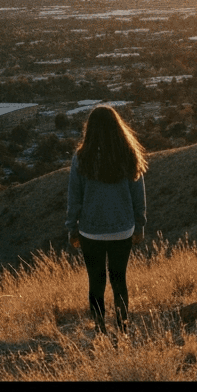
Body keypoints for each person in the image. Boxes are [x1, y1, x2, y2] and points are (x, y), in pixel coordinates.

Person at [66, 104, 148, 335]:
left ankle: (101, 329)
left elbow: (75, 198)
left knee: (96, 282)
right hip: (122, 229)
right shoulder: (128, 154)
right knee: (119, 279)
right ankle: (122, 328)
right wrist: (140, 225)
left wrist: (72, 228)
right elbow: (138, 194)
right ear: (117, 127)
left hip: (90, 231)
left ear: (89, 129)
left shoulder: (81, 158)